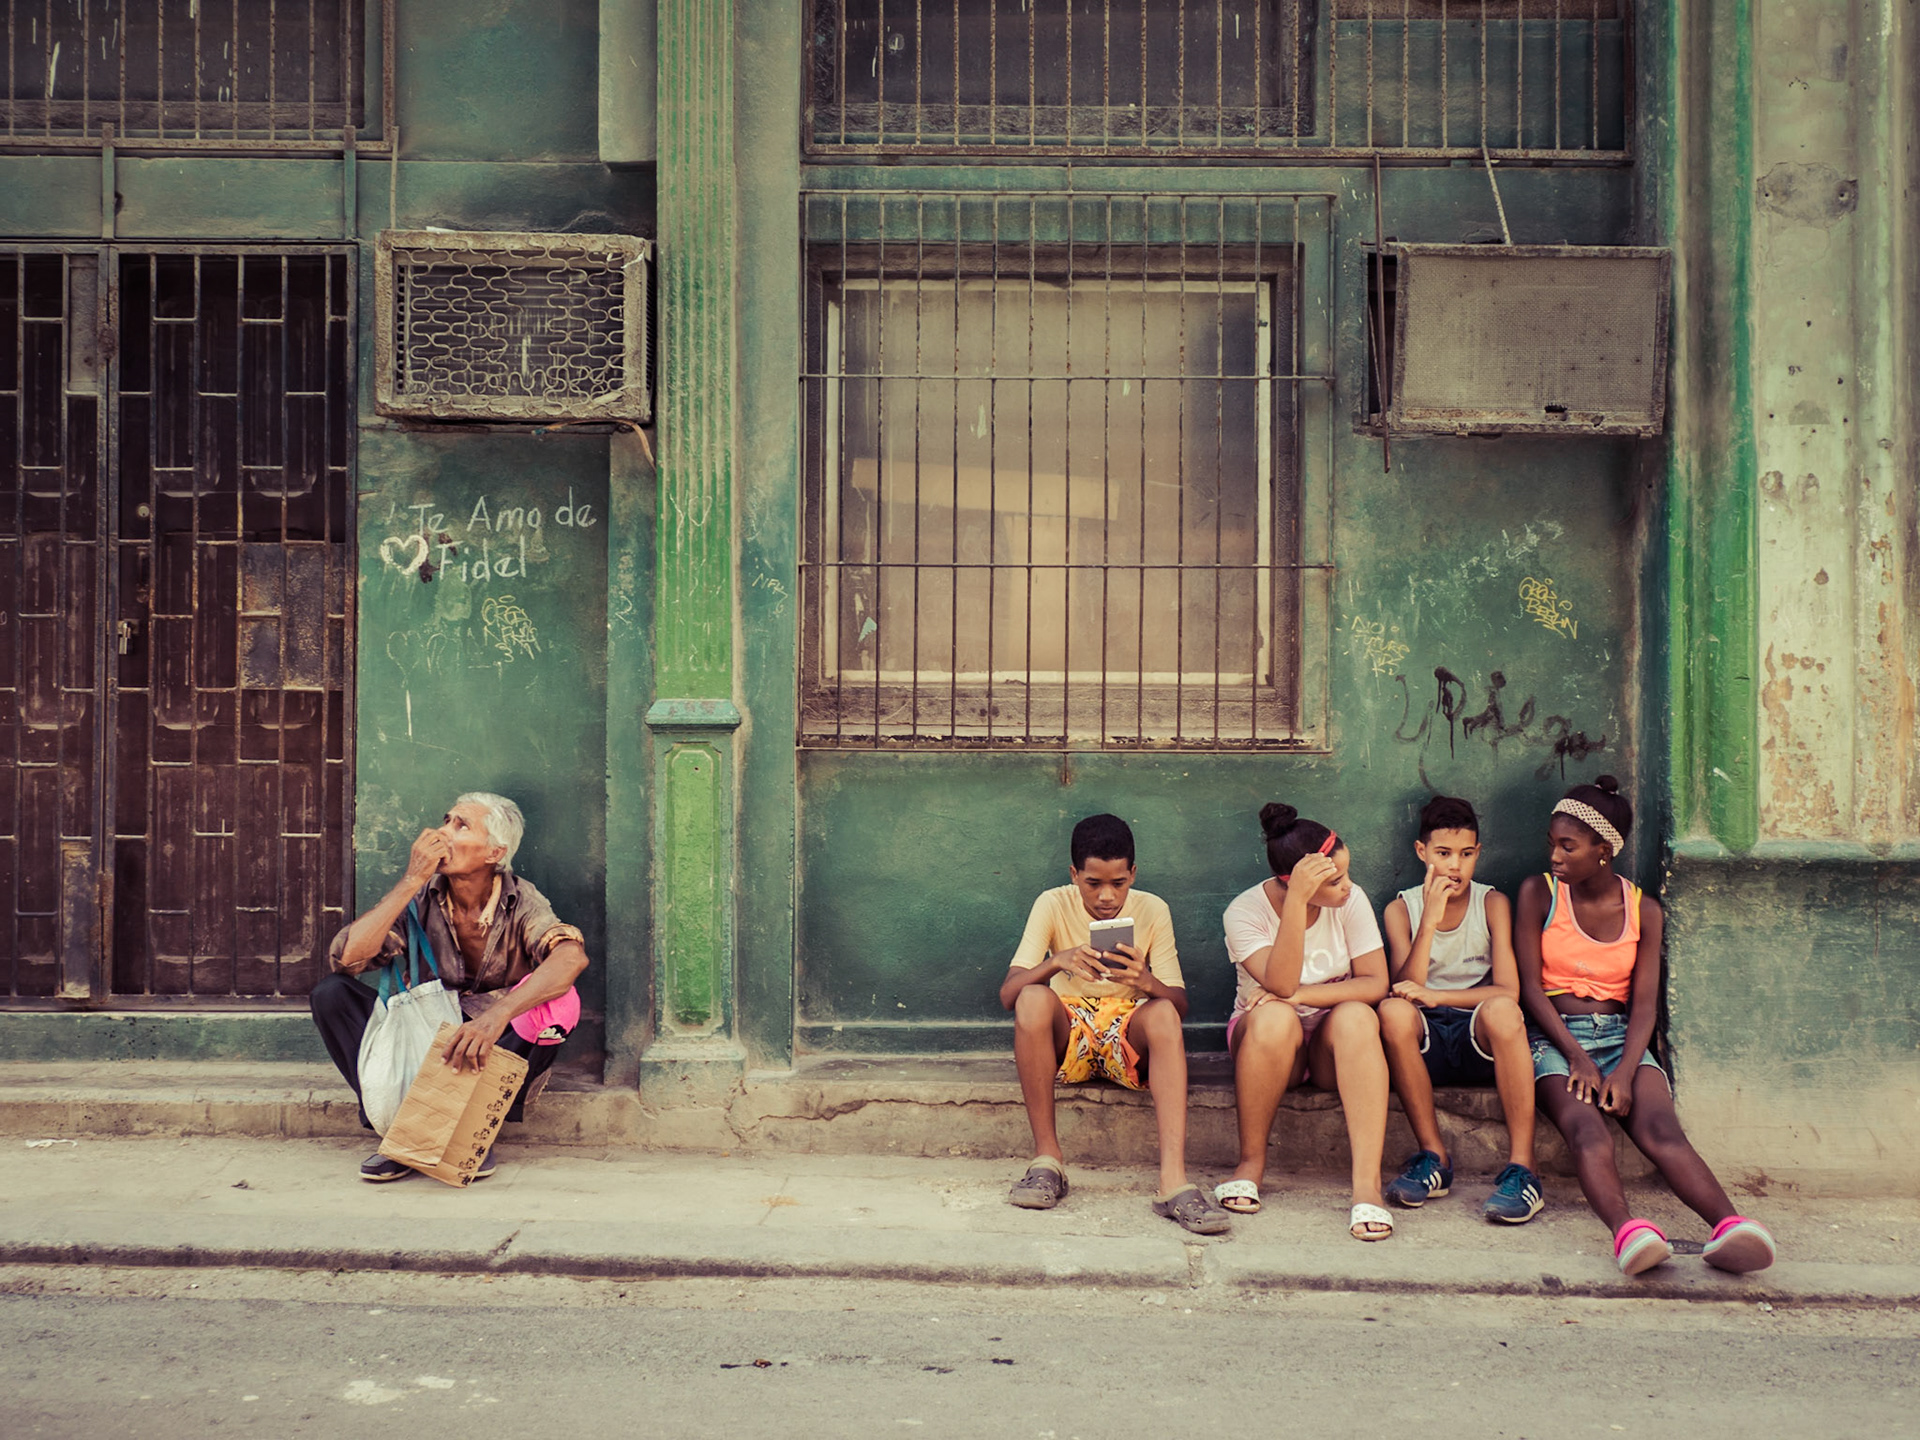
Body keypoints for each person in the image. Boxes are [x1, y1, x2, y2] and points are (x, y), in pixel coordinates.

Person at [1515, 777, 1775, 1275]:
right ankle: (1628, 1233)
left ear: (1604, 850)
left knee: (1662, 1132)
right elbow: (1530, 988)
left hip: (1622, 1041)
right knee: (1588, 1133)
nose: (1555, 857)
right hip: (1555, 1038)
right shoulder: (1538, 894)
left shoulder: (1644, 911)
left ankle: (1730, 1228)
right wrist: (1578, 1058)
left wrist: (1625, 1070)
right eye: (1553, 844)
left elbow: (1645, 1006)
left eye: (1568, 847)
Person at [310, 792, 589, 1182]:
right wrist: (411, 880)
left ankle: (471, 1128)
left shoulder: (521, 899)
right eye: (446, 821)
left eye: (461, 826)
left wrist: (495, 1017)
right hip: (428, 1035)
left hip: (490, 1045)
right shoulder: (423, 894)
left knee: (558, 1004)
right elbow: (348, 960)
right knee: (331, 994)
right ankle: (402, 1127)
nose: (443, 833)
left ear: (495, 852)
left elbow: (570, 958)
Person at [998, 813, 1229, 1235]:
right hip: (1069, 1034)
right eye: (1093, 883)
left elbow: (1178, 1003)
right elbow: (1008, 994)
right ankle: (1047, 1162)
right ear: (1074, 875)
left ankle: (1173, 1182)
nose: (1107, 896)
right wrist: (1056, 961)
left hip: (1128, 1039)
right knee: (1032, 998)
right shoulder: (1052, 902)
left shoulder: (1152, 908)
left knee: (1161, 1012)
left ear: (1133, 874)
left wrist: (1146, 981)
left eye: (1118, 883)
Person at [1216, 803, 1394, 1240]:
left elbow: (1374, 983)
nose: (1348, 888)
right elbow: (1278, 983)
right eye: (1334, 881)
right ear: (1293, 882)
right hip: (1272, 1046)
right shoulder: (1244, 912)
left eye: (1347, 874)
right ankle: (1250, 1164)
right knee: (1275, 1016)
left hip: (1331, 1046)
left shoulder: (1351, 901)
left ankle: (1367, 1188)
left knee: (1356, 1015)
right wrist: (1296, 902)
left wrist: (1304, 995)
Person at [1377, 796, 1543, 1223]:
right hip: (1424, 1038)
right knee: (1392, 1015)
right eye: (1443, 854)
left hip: (1478, 1034)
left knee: (1504, 1012)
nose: (1455, 866)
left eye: (1466, 855)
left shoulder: (1492, 904)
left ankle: (1524, 1169)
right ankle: (1434, 1157)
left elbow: (1507, 990)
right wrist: (1429, 919)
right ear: (1422, 853)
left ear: (1478, 853)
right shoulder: (1401, 909)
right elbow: (1402, 989)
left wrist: (1440, 996)